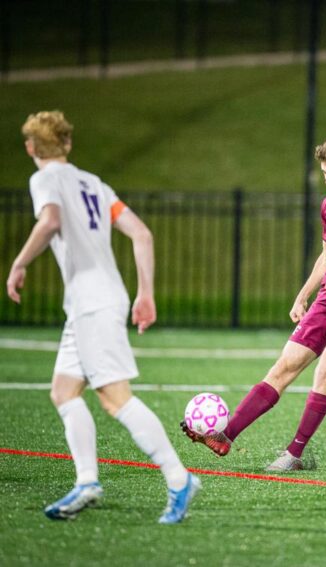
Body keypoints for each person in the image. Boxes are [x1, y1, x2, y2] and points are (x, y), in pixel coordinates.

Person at [6, 111, 200, 522]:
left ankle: (179, 478)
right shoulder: (94, 183)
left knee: (115, 399)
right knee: (63, 391)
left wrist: (19, 263)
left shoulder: (44, 179)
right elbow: (141, 233)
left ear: (30, 148)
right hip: (91, 304)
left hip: (93, 304)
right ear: (68, 144)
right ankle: (87, 481)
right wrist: (144, 293)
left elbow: (51, 220)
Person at [181, 134, 326, 471]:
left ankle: (294, 454)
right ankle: (226, 436)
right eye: (325, 173)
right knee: (283, 368)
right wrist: (304, 293)